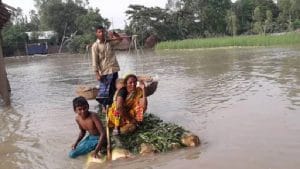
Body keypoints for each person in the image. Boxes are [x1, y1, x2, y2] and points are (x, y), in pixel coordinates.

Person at [91, 26, 123, 111]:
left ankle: (112, 106)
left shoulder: (109, 42)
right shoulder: (95, 46)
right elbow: (95, 61)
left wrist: (115, 34)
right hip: (104, 71)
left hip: (113, 69)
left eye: (103, 32)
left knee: (113, 89)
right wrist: (97, 73)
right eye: (99, 32)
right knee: (104, 91)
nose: (102, 33)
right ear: (96, 34)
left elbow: (120, 40)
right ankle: (104, 108)